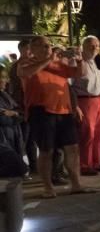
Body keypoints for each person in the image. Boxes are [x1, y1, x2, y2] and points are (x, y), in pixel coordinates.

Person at [18, 36, 90, 198]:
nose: (48, 48)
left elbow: (79, 74)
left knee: (72, 148)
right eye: (43, 46)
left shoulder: (58, 64)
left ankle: (76, 184)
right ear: (33, 48)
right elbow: (28, 73)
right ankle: (48, 187)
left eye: (49, 46)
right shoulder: (25, 63)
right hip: (41, 112)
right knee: (46, 150)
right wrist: (49, 59)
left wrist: (79, 60)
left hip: (63, 111)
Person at [72, 35, 100, 175]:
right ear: (83, 46)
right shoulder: (77, 62)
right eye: (91, 45)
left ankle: (96, 162)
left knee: (99, 133)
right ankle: (84, 165)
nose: (94, 48)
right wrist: (75, 106)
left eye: (97, 45)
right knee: (87, 133)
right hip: (85, 100)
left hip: (99, 99)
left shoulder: (96, 61)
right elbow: (70, 85)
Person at [8, 40, 37, 175]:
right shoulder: (19, 67)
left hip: (29, 106)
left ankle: (33, 166)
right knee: (23, 139)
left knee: (30, 139)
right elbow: (18, 89)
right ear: (22, 50)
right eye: (28, 49)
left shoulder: (27, 65)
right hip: (22, 107)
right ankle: (19, 167)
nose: (30, 52)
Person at [0, 65, 27, 178]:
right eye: (3, 77)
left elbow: (18, 113)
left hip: (12, 133)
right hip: (4, 136)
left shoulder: (5, 94)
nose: (6, 81)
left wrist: (14, 114)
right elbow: (3, 118)